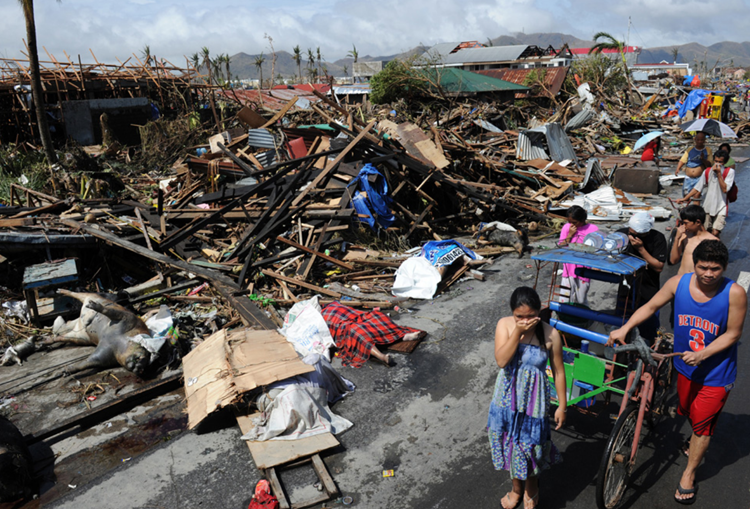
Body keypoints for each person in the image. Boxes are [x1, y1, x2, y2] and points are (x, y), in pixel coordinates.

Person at [607, 240, 746, 505]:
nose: (708, 273)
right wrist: (625, 328)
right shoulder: (678, 284)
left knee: (703, 427)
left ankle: (689, 473)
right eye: (703, 267)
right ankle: (694, 439)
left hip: (716, 374)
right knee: (688, 411)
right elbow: (650, 307)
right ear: (694, 265)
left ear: (724, 268)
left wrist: (704, 354)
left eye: (715, 269)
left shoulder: (734, 293)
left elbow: (733, 333)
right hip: (683, 367)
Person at [489, 287, 566, 509]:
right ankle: (516, 490)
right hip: (506, 401)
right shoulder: (504, 325)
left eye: (530, 316)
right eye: (519, 316)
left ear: (539, 311)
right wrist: (517, 333)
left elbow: (559, 372)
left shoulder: (551, 334)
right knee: (511, 445)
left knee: (531, 447)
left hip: (535, 404)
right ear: (512, 313)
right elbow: (502, 361)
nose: (525, 321)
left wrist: (563, 406)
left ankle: (531, 490)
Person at [321, 301, 425, 367]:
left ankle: (404, 336)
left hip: (357, 316)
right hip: (344, 326)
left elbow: (351, 310)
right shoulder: (319, 318)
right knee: (358, 333)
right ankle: (382, 356)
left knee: (377, 316)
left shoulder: (333, 303)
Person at [615, 212, 667, 343]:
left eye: (635, 234)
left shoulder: (658, 239)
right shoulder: (622, 234)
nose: (631, 235)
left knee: (648, 326)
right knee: (622, 321)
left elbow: (658, 266)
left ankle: (647, 351)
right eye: (630, 232)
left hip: (648, 289)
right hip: (626, 288)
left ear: (646, 232)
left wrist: (641, 249)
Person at [678, 150, 735, 238]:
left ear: (725, 162)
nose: (717, 164)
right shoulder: (708, 171)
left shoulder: (729, 172)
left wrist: (719, 174)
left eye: (720, 162)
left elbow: (725, 189)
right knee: (706, 231)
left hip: (721, 207)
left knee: (716, 232)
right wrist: (685, 198)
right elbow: (698, 187)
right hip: (708, 206)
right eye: (716, 161)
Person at [558, 205, 599, 306]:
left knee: (581, 299)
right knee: (566, 297)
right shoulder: (567, 227)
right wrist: (570, 235)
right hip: (569, 267)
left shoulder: (593, 229)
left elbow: (597, 248)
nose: (572, 224)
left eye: (575, 222)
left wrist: (596, 265)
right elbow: (561, 245)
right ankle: (565, 317)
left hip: (584, 267)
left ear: (582, 219)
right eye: (570, 222)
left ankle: (582, 318)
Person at [670, 205, 718, 276]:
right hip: (681, 278)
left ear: (698, 222)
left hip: (697, 282)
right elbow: (673, 260)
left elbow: (715, 268)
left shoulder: (712, 241)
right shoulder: (685, 236)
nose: (684, 226)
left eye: (686, 223)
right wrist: (677, 238)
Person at [675, 132, 713, 198]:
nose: (700, 141)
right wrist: (678, 168)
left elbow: (710, 165)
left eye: (701, 140)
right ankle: (686, 208)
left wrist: (703, 159)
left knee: (697, 196)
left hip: (699, 178)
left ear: (704, 140)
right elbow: (683, 160)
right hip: (688, 178)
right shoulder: (690, 149)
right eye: (698, 139)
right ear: (695, 139)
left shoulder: (707, 150)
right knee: (685, 195)